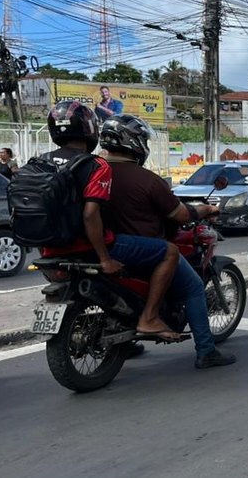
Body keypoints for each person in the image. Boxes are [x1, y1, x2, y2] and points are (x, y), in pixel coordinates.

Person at [98, 114, 236, 368]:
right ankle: (206, 350)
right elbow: (182, 214)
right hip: (141, 250)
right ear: (135, 143)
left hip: (105, 248)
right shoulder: (147, 179)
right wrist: (205, 209)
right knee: (194, 287)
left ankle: (125, 342)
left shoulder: (95, 173)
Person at [40, 101, 185, 343]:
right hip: (89, 247)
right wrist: (105, 259)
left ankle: (127, 339)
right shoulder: (95, 165)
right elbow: (90, 214)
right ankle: (149, 318)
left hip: (52, 250)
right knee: (170, 252)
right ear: (89, 129)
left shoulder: (40, 162)